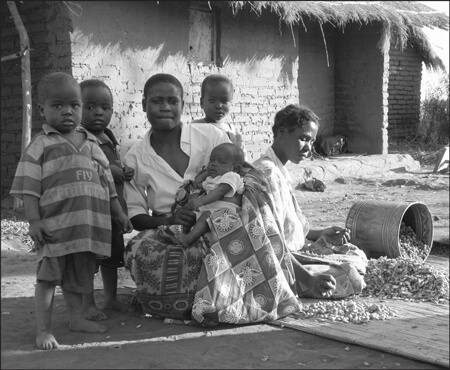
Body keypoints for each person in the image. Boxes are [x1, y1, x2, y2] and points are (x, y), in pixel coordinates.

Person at [10, 72, 133, 350]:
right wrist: (34, 221)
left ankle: (77, 318)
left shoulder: (91, 144)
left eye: (74, 105)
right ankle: (44, 330)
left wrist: (118, 212)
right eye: (57, 105)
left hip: (86, 227)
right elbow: (30, 188)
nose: (67, 111)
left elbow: (108, 184)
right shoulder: (40, 145)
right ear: (42, 109)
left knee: (78, 278)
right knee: (48, 279)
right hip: (55, 228)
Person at [122, 73, 230, 319]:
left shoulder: (211, 137)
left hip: (216, 221)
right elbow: (137, 216)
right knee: (138, 250)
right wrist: (170, 220)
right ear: (143, 105)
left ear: (183, 105)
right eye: (157, 101)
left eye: (173, 101)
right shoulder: (135, 157)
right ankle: (185, 303)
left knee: (236, 237)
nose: (165, 107)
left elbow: (237, 179)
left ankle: (219, 300)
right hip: (164, 228)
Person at [253, 104, 366, 298]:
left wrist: (319, 234)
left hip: (289, 252)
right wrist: (308, 278)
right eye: (303, 138)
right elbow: (270, 239)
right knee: (349, 273)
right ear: (281, 133)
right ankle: (297, 283)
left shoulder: (279, 170)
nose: (308, 148)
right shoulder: (269, 173)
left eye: (312, 141)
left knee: (354, 253)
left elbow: (285, 228)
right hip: (273, 259)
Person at [79, 79, 135, 320]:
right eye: (89, 107)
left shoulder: (109, 137)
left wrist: (122, 170)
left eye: (105, 107)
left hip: (114, 210)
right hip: (93, 212)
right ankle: (87, 303)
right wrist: (109, 170)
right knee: (90, 261)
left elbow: (113, 167)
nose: (98, 112)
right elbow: (83, 166)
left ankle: (110, 299)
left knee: (113, 258)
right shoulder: (79, 137)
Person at [167, 143, 245, 248]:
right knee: (189, 216)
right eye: (212, 160)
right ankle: (177, 235)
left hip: (224, 214)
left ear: (235, 168)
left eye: (221, 162)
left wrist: (200, 202)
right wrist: (201, 177)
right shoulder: (212, 179)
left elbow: (220, 192)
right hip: (209, 211)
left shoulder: (232, 176)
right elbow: (198, 185)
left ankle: (188, 239)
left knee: (205, 216)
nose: (214, 164)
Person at [192, 74, 247, 158]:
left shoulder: (234, 133)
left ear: (231, 102)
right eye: (212, 100)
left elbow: (242, 161)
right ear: (202, 102)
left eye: (224, 101)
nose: (218, 105)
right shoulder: (194, 129)